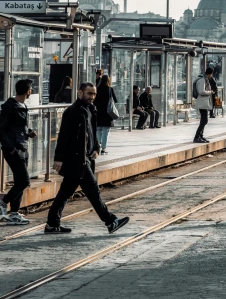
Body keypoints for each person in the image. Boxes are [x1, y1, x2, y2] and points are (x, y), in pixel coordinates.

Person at [45, 82, 129, 234]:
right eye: (89, 93)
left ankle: (52, 224)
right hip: (77, 160)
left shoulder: (91, 110)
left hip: (86, 159)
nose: (92, 97)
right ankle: (110, 221)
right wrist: (58, 158)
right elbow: (63, 136)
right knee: (93, 192)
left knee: (65, 193)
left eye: (94, 94)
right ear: (80, 93)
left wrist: (96, 148)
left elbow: (92, 133)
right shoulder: (72, 112)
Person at [0, 79, 37, 225]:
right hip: (14, 150)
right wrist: (11, 148)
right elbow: (1, 129)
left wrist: (28, 133)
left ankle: (14, 213)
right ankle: (3, 203)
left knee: (19, 181)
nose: (32, 90)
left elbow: (17, 128)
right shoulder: (10, 106)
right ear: (27, 90)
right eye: (31, 88)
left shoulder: (22, 106)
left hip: (22, 147)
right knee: (24, 181)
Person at [94, 75, 118, 154]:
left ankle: (98, 144)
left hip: (98, 112)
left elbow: (94, 101)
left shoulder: (97, 89)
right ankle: (103, 148)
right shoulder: (110, 89)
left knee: (99, 129)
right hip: (107, 112)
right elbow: (115, 100)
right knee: (105, 130)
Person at [193, 67, 214, 143]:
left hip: (204, 102)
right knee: (204, 120)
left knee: (204, 120)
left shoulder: (204, 79)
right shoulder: (202, 80)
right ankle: (197, 137)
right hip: (202, 102)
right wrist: (210, 92)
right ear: (210, 74)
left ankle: (200, 136)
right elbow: (201, 91)